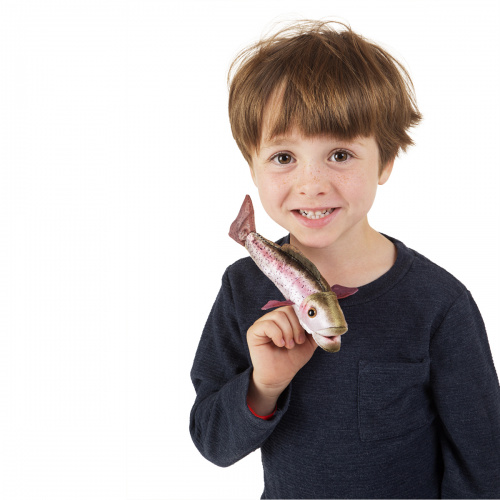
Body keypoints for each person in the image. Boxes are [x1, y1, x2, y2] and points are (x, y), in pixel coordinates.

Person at [189, 20, 500, 499]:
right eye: (282, 157)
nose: (311, 183)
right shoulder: (243, 287)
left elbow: (484, 460)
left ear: (387, 160)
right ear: (251, 165)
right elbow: (213, 441)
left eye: (339, 154)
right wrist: (264, 385)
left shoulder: (439, 302)